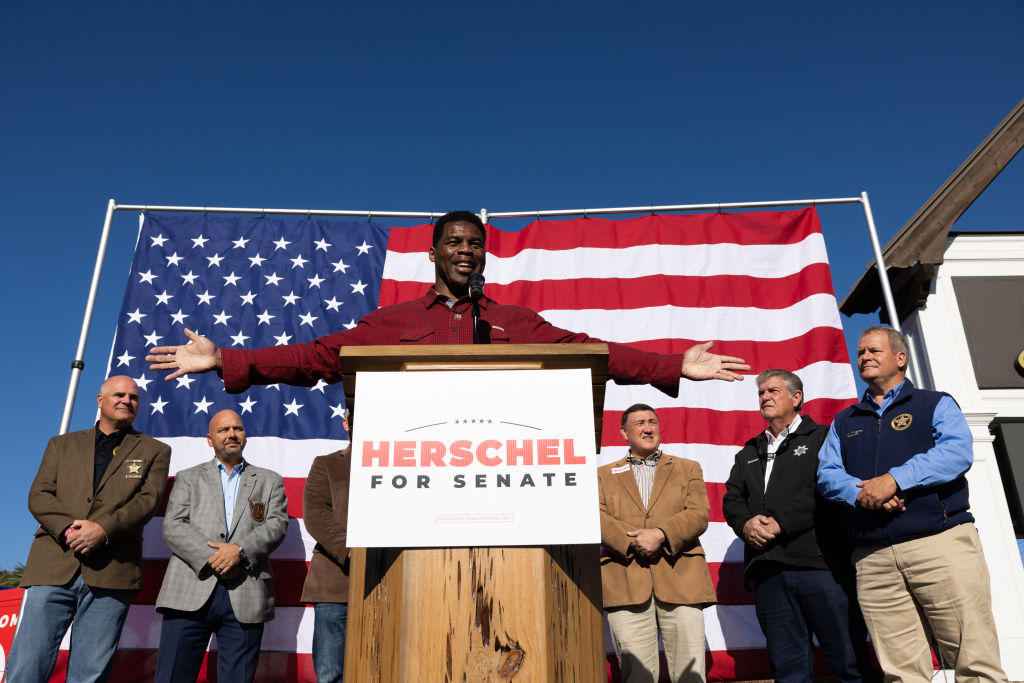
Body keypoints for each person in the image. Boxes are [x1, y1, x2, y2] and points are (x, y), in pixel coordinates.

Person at [146, 211, 749, 393]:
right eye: (455, 243)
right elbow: (315, 357)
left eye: (476, 245)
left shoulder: (513, 322)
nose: (467, 251)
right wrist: (228, 358)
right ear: (434, 254)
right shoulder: (393, 323)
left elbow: (592, 352)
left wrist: (673, 366)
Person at [817, 327, 1008, 681]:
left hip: (939, 544)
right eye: (860, 353)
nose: (864, 357)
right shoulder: (844, 422)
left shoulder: (934, 403)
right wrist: (863, 494)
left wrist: (895, 479)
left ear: (900, 358)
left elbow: (955, 452)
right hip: (873, 558)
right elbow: (828, 475)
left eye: (873, 350)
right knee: (901, 672)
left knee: (974, 659)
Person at [7, 375, 171, 683]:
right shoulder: (61, 444)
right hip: (53, 566)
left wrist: (102, 530)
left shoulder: (155, 450)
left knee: (90, 674)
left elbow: (146, 502)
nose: (127, 400)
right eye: (119, 395)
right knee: (26, 666)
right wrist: (71, 531)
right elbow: (38, 495)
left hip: (113, 571)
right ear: (100, 400)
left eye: (134, 397)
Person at [722, 369, 879, 683]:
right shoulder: (749, 451)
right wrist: (746, 523)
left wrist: (780, 523)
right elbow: (732, 498)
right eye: (761, 393)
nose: (765, 397)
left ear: (796, 398)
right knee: (789, 671)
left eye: (773, 391)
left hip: (822, 568)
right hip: (769, 572)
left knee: (850, 663)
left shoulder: (824, 437)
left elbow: (824, 490)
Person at [153, 409, 288, 683]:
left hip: (246, 591)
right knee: (172, 676)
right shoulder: (188, 477)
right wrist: (215, 557)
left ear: (245, 435)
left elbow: (276, 526)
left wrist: (238, 552)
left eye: (237, 428)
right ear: (209, 439)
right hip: (189, 591)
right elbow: (174, 526)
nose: (231, 434)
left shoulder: (269, 480)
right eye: (223, 430)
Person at [598, 403, 715, 683]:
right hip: (625, 582)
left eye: (652, 422)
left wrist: (661, 534)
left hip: (682, 581)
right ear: (623, 432)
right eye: (639, 423)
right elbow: (595, 517)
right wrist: (633, 542)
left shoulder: (688, 468)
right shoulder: (601, 475)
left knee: (691, 674)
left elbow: (699, 514)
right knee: (637, 676)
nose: (648, 428)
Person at [300, 410, 353, 682]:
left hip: (388, 581)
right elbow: (316, 514)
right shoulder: (327, 464)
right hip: (336, 583)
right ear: (346, 423)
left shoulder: (401, 464)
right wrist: (354, 551)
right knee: (331, 675)